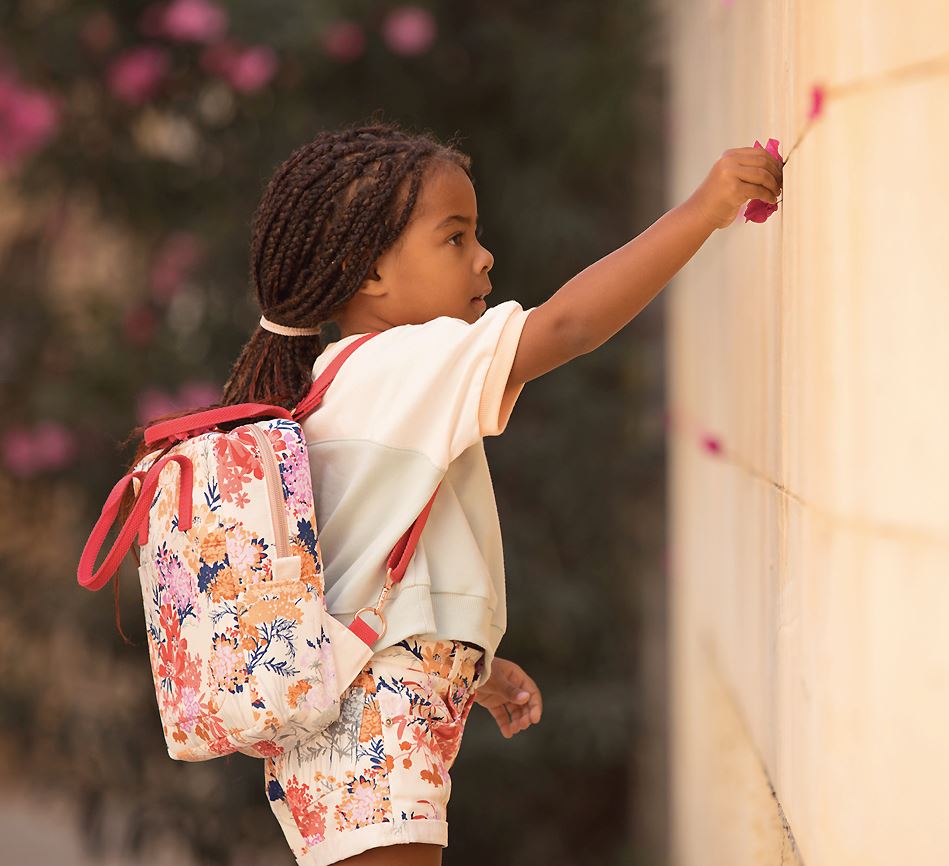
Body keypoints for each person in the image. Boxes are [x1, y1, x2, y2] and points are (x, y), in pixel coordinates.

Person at [218, 120, 783, 866]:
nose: (484, 257)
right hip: (374, 723)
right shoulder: (405, 363)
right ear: (369, 274)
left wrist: (466, 662)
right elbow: (570, 325)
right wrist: (703, 209)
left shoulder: (342, 376)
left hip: (357, 717)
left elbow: (368, 566)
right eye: (454, 238)